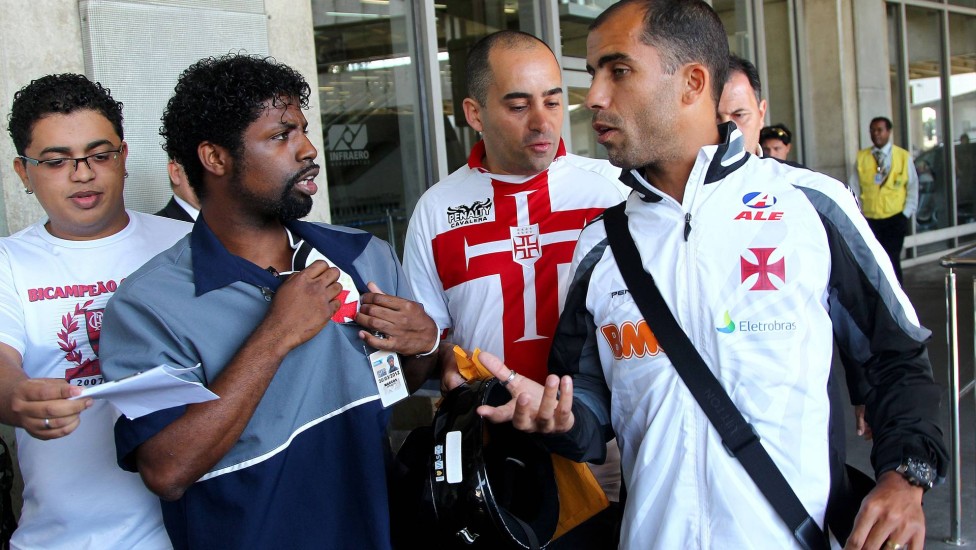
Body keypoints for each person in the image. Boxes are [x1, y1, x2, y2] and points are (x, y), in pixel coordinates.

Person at [475, 1, 948, 549]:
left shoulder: (810, 207)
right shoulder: (599, 245)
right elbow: (586, 406)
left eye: (618, 70)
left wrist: (905, 477)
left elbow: (897, 358)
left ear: (692, 82)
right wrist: (558, 420)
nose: (594, 97)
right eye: (593, 74)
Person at [99, 54, 441, 549]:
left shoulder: (363, 255)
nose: (307, 149)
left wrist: (425, 347)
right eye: (281, 137)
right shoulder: (146, 306)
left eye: (302, 130)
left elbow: (389, 390)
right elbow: (167, 469)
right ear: (215, 158)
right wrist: (276, 334)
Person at [401, 30, 628, 546]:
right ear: (474, 113)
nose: (543, 121)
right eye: (519, 105)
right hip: (490, 448)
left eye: (553, 100)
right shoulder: (437, 209)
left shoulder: (610, 190)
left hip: (599, 442)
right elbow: (432, 338)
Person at [0, 73, 188, 549]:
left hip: (188, 531)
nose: (82, 174)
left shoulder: (186, 245)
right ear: (24, 172)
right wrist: (20, 395)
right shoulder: (9, 262)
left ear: (123, 158)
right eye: (56, 161)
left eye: (99, 155)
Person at [850, 116, 919, 283]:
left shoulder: (903, 157)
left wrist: (905, 214)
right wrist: (857, 214)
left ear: (889, 132)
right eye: (872, 130)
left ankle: (896, 298)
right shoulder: (863, 157)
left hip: (895, 218)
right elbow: (853, 188)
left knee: (892, 259)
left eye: (880, 130)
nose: (876, 134)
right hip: (871, 218)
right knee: (872, 261)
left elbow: (913, 187)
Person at [718, 54, 767, 156]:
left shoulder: (792, 172)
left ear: (761, 114)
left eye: (739, 115)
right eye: (714, 118)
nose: (728, 131)